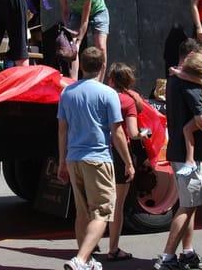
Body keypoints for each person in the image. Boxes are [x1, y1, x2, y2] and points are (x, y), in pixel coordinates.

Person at [57, 47, 135, 270]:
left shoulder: (67, 93)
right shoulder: (108, 93)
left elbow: (62, 130)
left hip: (74, 158)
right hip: (98, 158)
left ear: (81, 65)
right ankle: (81, 259)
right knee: (101, 212)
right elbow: (117, 132)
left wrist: (62, 161)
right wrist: (128, 162)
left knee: (82, 212)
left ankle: (87, 260)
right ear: (102, 66)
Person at [154, 38, 202, 270]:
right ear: (190, 57)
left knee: (190, 203)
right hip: (190, 155)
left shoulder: (174, 79)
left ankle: (187, 251)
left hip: (181, 150)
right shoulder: (188, 84)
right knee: (186, 206)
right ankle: (167, 257)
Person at [105, 62, 146, 262]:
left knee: (96, 202)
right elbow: (133, 133)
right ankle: (113, 248)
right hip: (120, 154)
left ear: (111, 79)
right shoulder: (128, 101)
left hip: (99, 151)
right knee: (117, 205)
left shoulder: (102, 96)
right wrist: (145, 133)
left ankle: (89, 241)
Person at [57, 0, 110, 82]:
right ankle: (73, 81)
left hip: (98, 11)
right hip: (76, 12)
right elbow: (65, 12)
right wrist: (68, 31)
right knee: (73, 46)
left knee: (101, 47)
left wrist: (80, 40)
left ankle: (99, 83)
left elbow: (85, 20)